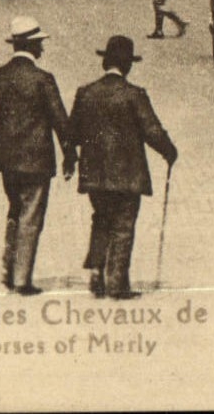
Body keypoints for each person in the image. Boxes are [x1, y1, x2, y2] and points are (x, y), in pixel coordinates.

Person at [0, 17, 73, 296]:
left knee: (15, 209)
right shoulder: (43, 79)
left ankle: (8, 268)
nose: (42, 49)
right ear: (32, 45)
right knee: (31, 217)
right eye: (40, 44)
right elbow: (61, 122)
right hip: (37, 161)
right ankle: (22, 280)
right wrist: (69, 155)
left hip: (6, 162)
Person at [66, 35, 177, 300]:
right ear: (127, 65)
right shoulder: (134, 95)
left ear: (105, 62)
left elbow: (72, 134)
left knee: (101, 219)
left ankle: (97, 272)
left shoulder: (85, 93)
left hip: (95, 174)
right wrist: (169, 151)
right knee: (123, 224)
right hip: (128, 173)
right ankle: (117, 283)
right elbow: (152, 130)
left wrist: (73, 157)